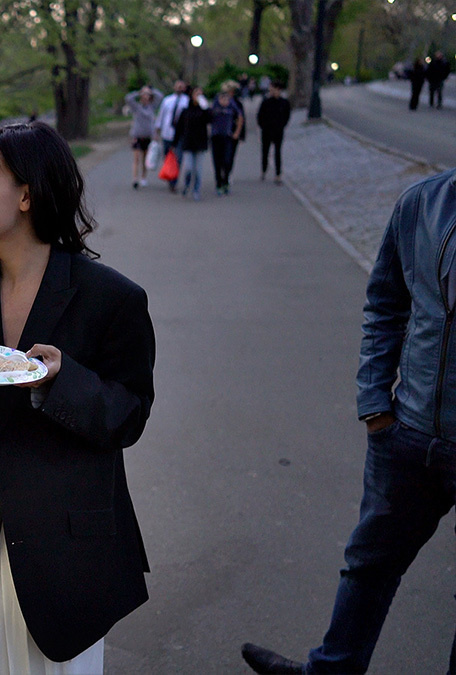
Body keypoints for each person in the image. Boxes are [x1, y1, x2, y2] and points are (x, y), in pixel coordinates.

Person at [0, 121, 155, 674]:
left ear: (26, 194)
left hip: (64, 552)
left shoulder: (111, 298)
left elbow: (129, 417)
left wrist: (59, 382)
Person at [241, 167, 456, 675]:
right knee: (368, 566)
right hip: (406, 434)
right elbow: (386, 302)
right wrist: (375, 404)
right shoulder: (423, 203)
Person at [174, 86, 212, 201]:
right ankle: (186, 184)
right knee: (189, 168)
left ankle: (196, 190)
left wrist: (205, 107)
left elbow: (210, 119)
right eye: (196, 94)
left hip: (200, 143)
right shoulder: (186, 110)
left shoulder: (204, 110)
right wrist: (175, 143)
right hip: (188, 143)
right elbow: (179, 127)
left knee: (198, 170)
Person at [154, 81, 191, 192]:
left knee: (178, 157)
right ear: (174, 87)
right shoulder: (167, 100)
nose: (179, 87)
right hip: (167, 133)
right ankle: (169, 174)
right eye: (177, 86)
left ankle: (174, 181)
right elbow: (161, 115)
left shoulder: (187, 101)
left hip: (180, 134)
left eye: (181, 86)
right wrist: (157, 130)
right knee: (167, 156)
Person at [124, 85, 163, 189]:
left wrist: (151, 91)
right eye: (144, 95)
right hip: (137, 136)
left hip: (148, 136)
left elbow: (160, 96)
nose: (145, 97)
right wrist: (139, 92)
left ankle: (143, 178)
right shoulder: (136, 107)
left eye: (147, 95)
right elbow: (128, 98)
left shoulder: (152, 107)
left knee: (145, 159)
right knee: (136, 158)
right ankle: (135, 179)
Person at [209, 87, 243, 196]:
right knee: (217, 162)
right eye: (222, 99)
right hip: (216, 137)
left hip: (227, 137)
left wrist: (237, 132)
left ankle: (225, 180)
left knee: (227, 161)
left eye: (226, 99)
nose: (224, 101)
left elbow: (240, 117)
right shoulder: (215, 107)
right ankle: (219, 183)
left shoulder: (231, 106)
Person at [257, 81, 292, 184]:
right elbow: (260, 115)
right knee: (265, 151)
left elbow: (287, 115)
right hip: (267, 130)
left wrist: (282, 125)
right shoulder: (266, 102)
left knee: (277, 152)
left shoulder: (284, 102)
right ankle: (264, 170)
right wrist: (263, 125)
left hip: (278, 130)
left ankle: (278, 174)